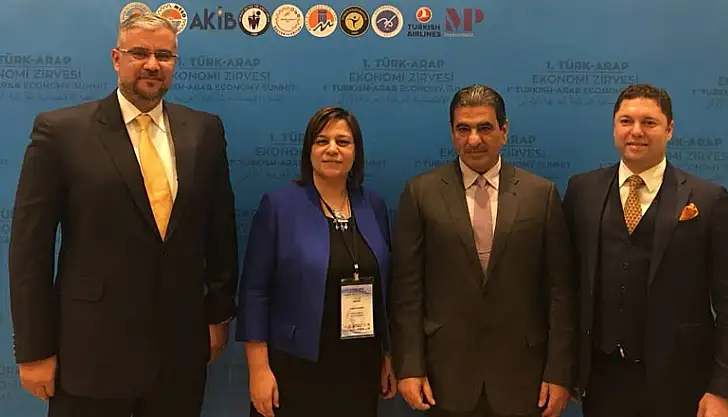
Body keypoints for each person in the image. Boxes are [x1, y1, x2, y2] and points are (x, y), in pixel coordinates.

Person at [7, 13, 238, 417]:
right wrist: (34, 350)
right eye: (139, 53)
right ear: (117, 59)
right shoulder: (60, 132)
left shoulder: (204, 131)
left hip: (179, 351)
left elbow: (220, 231)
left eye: (164, 55)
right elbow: (30, 251)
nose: (152, 64)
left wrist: (217, 316)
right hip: (91, 351)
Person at [391, 84, 577, 417]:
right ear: (452, 133)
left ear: (504, 131)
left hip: (523, 379)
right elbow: (407, 291)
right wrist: (409, 366)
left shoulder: (541, 195)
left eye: (485, 128)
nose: (473, 139)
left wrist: (560, 373)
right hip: (445, 376)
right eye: (463, 129)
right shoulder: (421, 193)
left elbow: (560, 291)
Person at [562, 83, 728, 417]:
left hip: (682, 384)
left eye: (649, 122)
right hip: (602, 381)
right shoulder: (581, 191)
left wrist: (724, 389)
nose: (636, 132)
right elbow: (565, 287)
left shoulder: (709, 200)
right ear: (614, 127)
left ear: (669, 129)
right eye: (626, 121)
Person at [235, 106, 396, 417]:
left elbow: (386, 288)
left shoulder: (373, 204)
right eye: (322, 141)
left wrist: (387, 354)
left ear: (356, 152)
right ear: (309, 150)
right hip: (295, 364)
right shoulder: (279, 205)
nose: (332, 149)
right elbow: (255, 291)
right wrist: (259, 370)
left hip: (360, 365)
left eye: (343, 142)